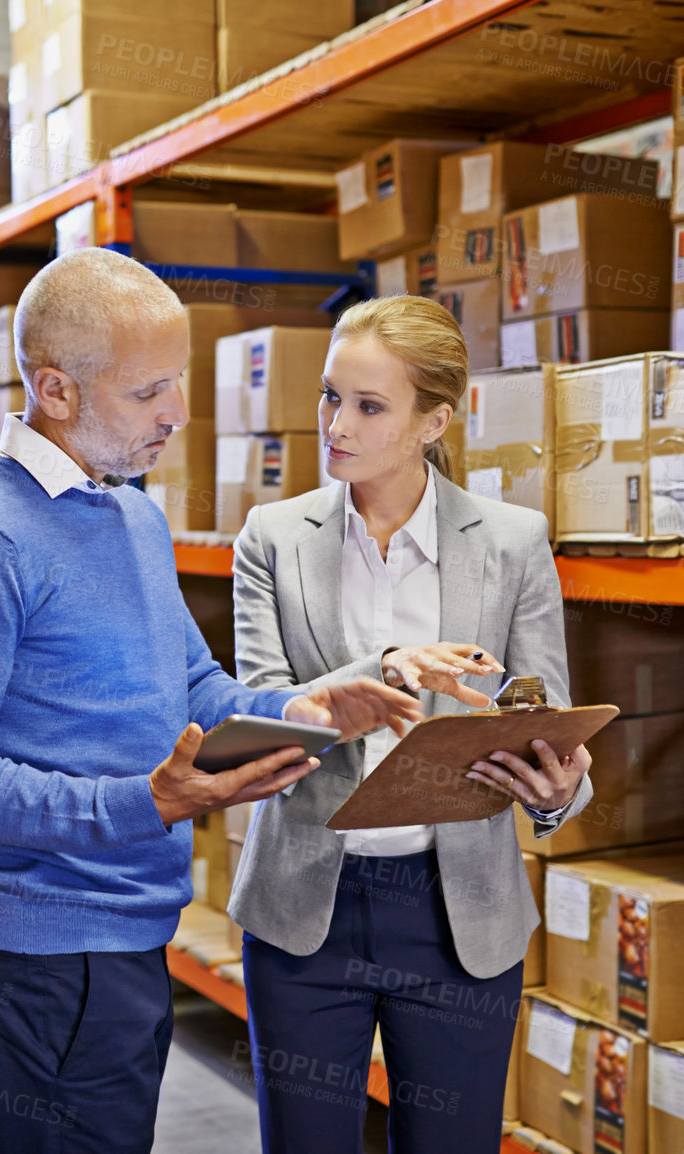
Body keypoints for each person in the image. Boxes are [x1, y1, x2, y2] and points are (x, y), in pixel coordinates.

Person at [0, 248, 422, 1154]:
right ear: (55, 390)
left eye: (176, 383)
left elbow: (192, 687)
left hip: (130, 935)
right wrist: (146, 804)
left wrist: (307, 708)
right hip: (40, 959)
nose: (177, 413)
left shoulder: (128, 510)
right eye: (148, 393)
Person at [227, 294, 595, 1153]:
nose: (335, 425)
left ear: (434, 420)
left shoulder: (510, 542)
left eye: (367, 405)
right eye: (329, 397)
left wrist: (554, 793)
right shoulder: (272, 538)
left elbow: (543, 720)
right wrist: (383, 668)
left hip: (456, 910)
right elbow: (256, 710)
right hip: (305, 907)